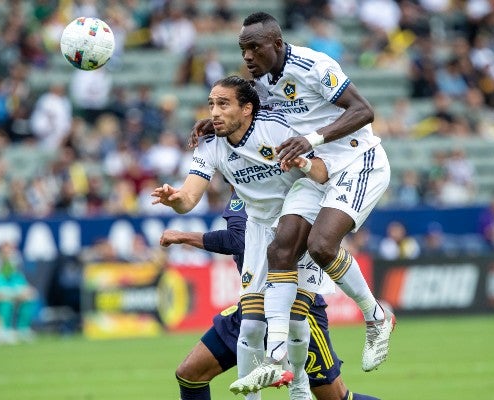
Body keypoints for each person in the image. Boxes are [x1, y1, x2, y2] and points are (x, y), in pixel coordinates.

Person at [228, 12, 395, 393]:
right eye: (243, 50)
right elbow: (253, 114)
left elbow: (364, 111)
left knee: (321, 246)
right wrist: (217, 125)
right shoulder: (262, 82)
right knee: (281, 249)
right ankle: (275, 357)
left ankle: (375, 316)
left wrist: (313, 139)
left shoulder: (313, 65)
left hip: (357, 161)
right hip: (315, 171)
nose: (248, 56)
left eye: (254, 47)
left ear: (276, 43)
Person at [152, 76, 332, 399]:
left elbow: (322, 173)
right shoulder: (213, 147)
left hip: (298, 226)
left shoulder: (276, 129)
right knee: (246, 329)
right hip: (260, 236)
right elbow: (189, 198)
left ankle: (299, 384)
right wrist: (174, 198)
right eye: (211, 105)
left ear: (248, 109)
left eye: (223, 104)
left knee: (303, 338)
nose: (214, 112)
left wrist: (304, 162)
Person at [162, 192, 380, 400]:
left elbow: (237, 240)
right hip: (253, 308)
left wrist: (183, 236)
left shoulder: (255, 186)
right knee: (190, 374)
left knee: (335, 397)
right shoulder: (243, 185)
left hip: (297, 310)